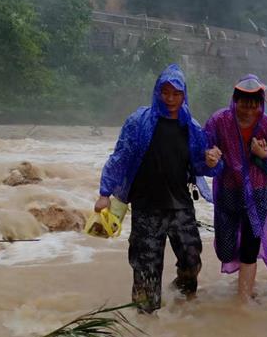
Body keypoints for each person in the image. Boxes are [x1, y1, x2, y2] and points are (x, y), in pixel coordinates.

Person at [95, 64, 223, 314]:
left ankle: (181, 305)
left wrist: (212, 161)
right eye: (165, 92)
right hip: (146, 207)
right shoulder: (138, 122)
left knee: (191, 258)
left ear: (184, 95)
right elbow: (120, 157)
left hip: (180, 205)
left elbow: (200, 165)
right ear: (157, 92)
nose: (171, 99)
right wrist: (104, 193)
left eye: (176, 94)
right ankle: (146, 321)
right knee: (146, 268)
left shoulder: (191, 127)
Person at [203, 75, 267, 302]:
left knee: (250, 243)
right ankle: (244, 286)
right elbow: (204, 150)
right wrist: (210, 157)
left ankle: (244, 297)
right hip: (229, 189)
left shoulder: (265, 124)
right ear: (234, 101)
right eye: (243, 105)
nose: (248, 111)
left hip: (257, 191)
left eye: (254, 105)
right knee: (225, 248)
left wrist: (262, 153)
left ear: (260, 104)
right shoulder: (218, 121)